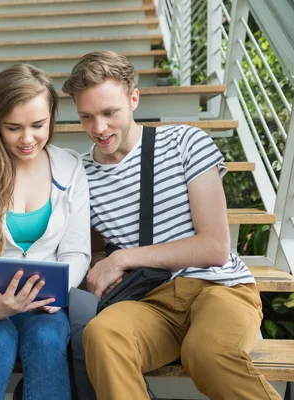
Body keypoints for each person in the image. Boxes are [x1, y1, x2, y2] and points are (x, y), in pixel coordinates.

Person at [62, 50, 282, 400]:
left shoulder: (185, 142)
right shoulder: (80, 175)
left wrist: (121, 258)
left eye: (109, 113)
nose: (98, 128)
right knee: (101, 335)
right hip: (148, 302)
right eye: (86, 116)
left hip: (219, 289)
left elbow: (213, 248)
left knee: (206, 353)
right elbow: (82, 249)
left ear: (134, 98)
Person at [0, 64, 91, 400]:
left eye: (38, 125)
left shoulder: (70, 167)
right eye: (13, 128)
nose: (27, 139)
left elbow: (77, 252)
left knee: (46, 339)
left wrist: (60, 291)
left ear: (52, 117)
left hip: (43, 307)